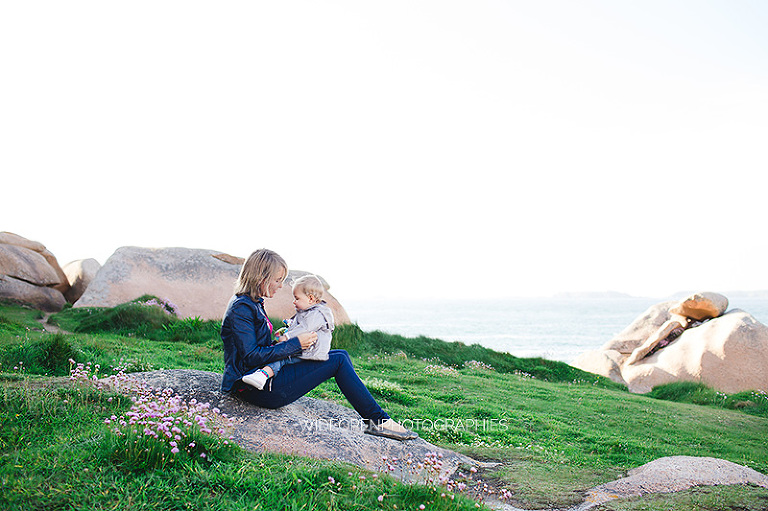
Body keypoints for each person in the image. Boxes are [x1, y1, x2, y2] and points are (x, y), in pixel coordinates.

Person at [220, 249, 417, 441]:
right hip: (255, 389)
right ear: (261, 277)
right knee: (338, 360)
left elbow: (254, 348)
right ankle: (379, 421)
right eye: (278, 280)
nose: (280, 286)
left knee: (341, 355)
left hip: (262, 378)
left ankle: (377, 419)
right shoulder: (242, 308)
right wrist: (296, 344)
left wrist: (283, 339)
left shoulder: (252, 302)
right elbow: (251, 357)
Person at [242, 274, 334, 390]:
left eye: (297, 298)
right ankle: (262, 373)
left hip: (311, 352)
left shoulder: (318, 313)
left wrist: (287, 336)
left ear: (310, 299)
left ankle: (262, 376)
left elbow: (305, 329)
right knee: (282, 354)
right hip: (306, 349)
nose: (294, 302)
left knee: (283, 357)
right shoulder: (309, 311)